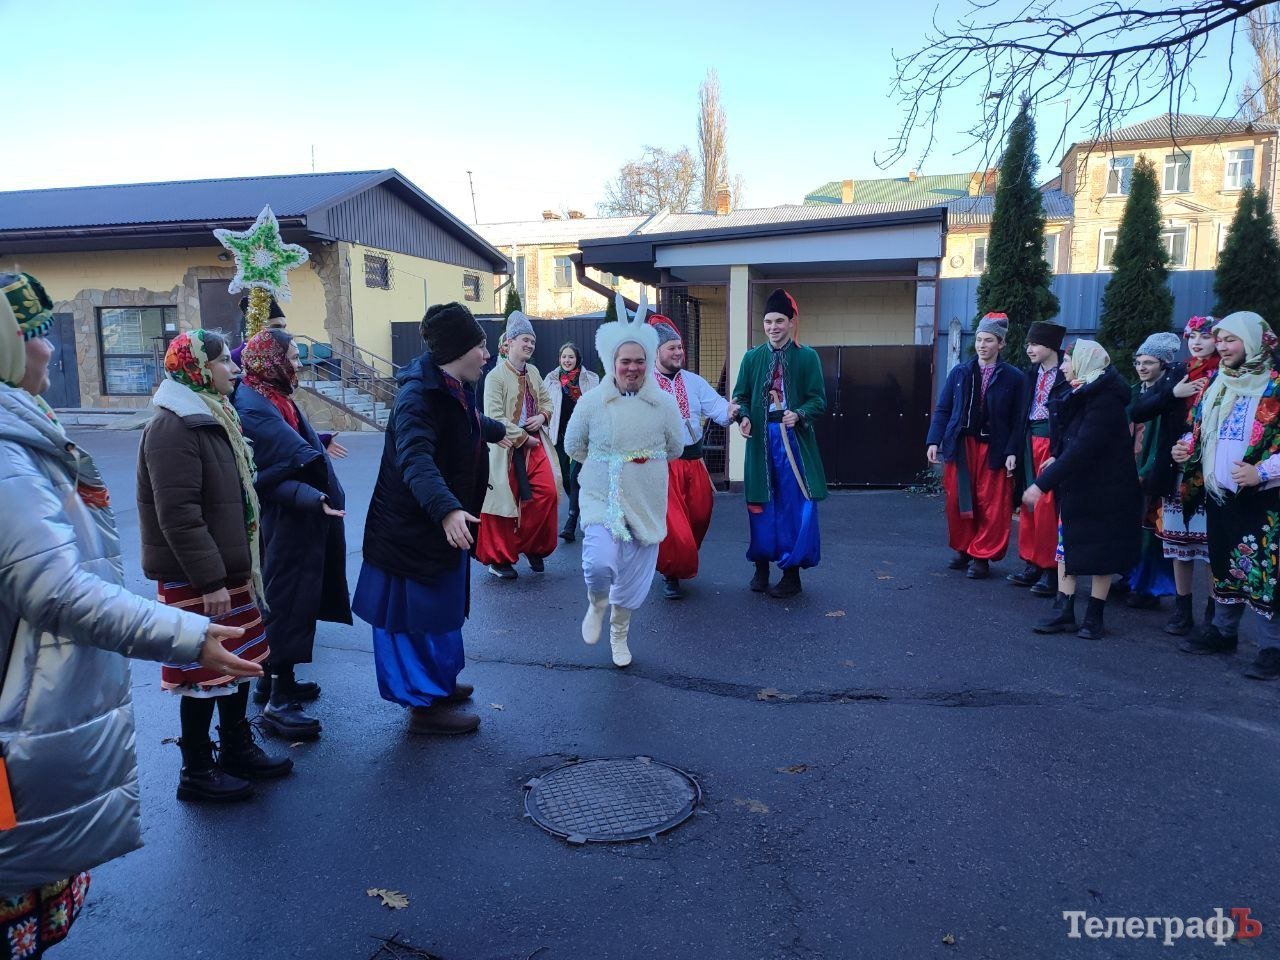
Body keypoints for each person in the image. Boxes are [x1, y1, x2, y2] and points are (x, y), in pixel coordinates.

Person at [0, 273, 259, 956]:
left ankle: (230, 750)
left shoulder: (25, 430)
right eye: (32, 334)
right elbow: (56, 587)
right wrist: (188, 631)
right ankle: (201, 766)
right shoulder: (7, 453)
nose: (50, 349)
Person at [137, 329, 292, 800]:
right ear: (197, 368)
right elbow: (178, 514)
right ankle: (197, 771)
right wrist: (209, 579)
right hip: (198, 578)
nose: (235, 368)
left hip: (226, 570)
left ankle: (237, 748)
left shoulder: (213, 412)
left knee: (238, 661)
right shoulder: (173, 427)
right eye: (224, 360)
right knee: (202, 672)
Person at [354, 303, 511, 734]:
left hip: (435, 528)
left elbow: (467, 421)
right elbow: (416, 458)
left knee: (439, 612)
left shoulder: (451, 384)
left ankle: (438, 683)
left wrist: (505, 433)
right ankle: (423, 705)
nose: (487, 354)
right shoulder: (416, 397)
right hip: (411, 533)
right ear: (458, 350)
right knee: (414, 620)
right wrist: (447, 508)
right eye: (481, 346)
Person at [233, 329, 352, 740]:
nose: (299, 364)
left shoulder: (271, 395)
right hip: (285, 520)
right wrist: (311, 492)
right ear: (271, 361)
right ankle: (277, 703)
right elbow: (268, 471)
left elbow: (292, 446)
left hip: (298, 516)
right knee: (285, 602)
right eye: (292, 357)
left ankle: (276, 682)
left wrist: (315, 448)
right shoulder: (253, 404)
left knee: (293, 599)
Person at [565, 296, 684, 666]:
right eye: (625, 361)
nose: (632, 368)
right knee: (598, 563)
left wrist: (642, 464)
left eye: (639, 361)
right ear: (612, 361)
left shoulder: (663, 404)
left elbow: (676, 447)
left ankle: (619, 634)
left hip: (645, 499)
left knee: (631, 581)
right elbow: (573, 445)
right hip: (601, 495)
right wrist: (608, 464)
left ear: (648, 362)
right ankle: (596, 603)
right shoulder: (591, 402)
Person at [1175, 312, 1280, 680]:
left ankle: (1272, 648)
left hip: (1265, 498)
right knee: (1223, 563)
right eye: (1219, 339)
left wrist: (1261, 472)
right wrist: (1185, 447)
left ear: (1253, 341)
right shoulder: (1218, 382)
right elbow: (1199, 428)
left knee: (1266, 571)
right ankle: (1223, 632)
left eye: (1230, 339)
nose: (1221, 346)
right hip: (1220, 494)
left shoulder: (1275, 386)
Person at [1024, 340, 1142, 640]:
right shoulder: (1080, 389)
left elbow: (1085, 447)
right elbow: (1070, 437)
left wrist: (1041, 484)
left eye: (1068, 361)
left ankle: (1094, 615)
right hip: (1078, 484)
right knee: (1067, 544)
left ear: (1085, 362)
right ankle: (1063, 610)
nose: (1063, 367)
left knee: (1102, 549)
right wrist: (1056, 455)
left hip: (1106, 487)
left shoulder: (1105, 398)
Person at [731, 288, 827, 598]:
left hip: (793, 442)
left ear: (791, 322)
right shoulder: (751, 357)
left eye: (779, 321)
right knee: (760, 503)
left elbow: (818, 400)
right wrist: (743, 416)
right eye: (768, 321)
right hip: (760, 441)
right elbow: (740, 396)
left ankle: (791, 573)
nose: (773, 327)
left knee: (794, 505)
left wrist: (798, 414)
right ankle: (761, 566)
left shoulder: (807, 357)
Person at [1131, 316, 1219, 636]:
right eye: (1192, 336)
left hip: (1211, 472)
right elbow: (1139, 410)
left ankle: (1214, 615)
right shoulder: (1179, 372)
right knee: (1179, 543)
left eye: (1204, 336)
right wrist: (1174, 393)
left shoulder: (1225, 374)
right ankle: (1183, 611)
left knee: (1211, 548)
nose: (1196, 342)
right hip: (1176, 471)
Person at [925, 312, 1022, 580]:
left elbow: (1018, 420)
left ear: (1001, 343)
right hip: (962, 446)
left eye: (989, 340)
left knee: (991, 503)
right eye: (979, 339)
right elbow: (943, 409)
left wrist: (1012, 450)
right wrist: (933, 440)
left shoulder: (1014, 378)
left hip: (994, 447)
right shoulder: (960, 372)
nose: (982, 345)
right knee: (958, 500)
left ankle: (981, 556)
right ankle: (964, 548)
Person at [648, 313, 737, 599]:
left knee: (700, 515)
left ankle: (680, 557)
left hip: (695, 462)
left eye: (680, 347)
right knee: (675, 526)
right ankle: (671, 573)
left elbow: (720, 409)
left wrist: (736, 412)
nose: (678, 352)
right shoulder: (643, 384)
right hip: (662, 466)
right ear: (656, 351)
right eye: (671, 348)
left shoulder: (694, 382)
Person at [475, 312, 561, 579]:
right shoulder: (495, 377)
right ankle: (498, 559)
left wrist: (542, 416)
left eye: (532, 341)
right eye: (525, 340)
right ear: (509, 342)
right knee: (503, 503)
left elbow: (547, 401)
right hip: (505, 445)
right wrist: (522, 437)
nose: (530, 345)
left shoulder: (533, 372)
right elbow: (494, 416)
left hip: (535, 444)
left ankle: (532, 546)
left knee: (547, 494)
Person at [1007, 321, 1069, 597]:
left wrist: (1059, 452)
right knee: (1028, 502)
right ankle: (1031, 561)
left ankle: (1051, 569)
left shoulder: (1066, 374)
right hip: (1028, 441)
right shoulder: (1029, 375)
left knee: (1047, 506)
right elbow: (1019, 416)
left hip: (1051, 445)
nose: (1029, 349)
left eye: (1035, 344)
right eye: (1028, 344)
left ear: (1051, 346)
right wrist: (1013, 450)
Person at [1124, 332, 1183, 611]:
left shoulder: (1167, 395)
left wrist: (1145, 470)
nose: (1142, 367)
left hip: (1151, 471)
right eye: (1138, 362)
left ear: (1163, 364)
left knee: (1150, 530)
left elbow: (1163, 440)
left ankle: (1148, 587)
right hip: (1129, 467)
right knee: (1128, 526)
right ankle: (1128, 577)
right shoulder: (1135, 391)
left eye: (1148, 362)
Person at [543, 341, 599, 543]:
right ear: (559, 359)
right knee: (565, 477)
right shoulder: (550, 380)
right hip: (558, 436)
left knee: (576, 477)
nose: (567, 360)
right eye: (564, 357)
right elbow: (544, 405)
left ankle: (571, 520)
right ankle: (581, 507)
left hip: (581, 437)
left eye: (571, 357)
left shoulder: (591, 379)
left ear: (577, 359)